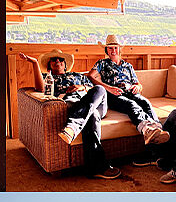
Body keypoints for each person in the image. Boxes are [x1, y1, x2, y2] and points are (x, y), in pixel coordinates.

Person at [18, 50, 118, 179]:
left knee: (100, 89)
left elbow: (92, 89)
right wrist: (35, 63)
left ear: (65, 65)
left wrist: (81, 87)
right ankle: (97, 168)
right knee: (91, 115)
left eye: (61, 60)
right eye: (54, 60)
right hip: (73, 104)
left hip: (93, 103)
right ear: (49, 66)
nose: (57, 61)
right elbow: (41, 90)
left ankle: (73, 126)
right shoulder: (49, 78)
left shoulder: (78, 76)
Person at [88, 34, 171, 159]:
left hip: (130, 91)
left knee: (145, 102)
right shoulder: (102, 63)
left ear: (119, 49)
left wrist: (137, 87)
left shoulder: (128, 66)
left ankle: (158, 130)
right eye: (110, 48)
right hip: (113, 94)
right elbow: (90, 76)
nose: (113, 50)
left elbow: (138, 84)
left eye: (115, 48)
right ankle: (147, 129)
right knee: (131, 104)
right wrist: (108, 88)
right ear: (106, 50)